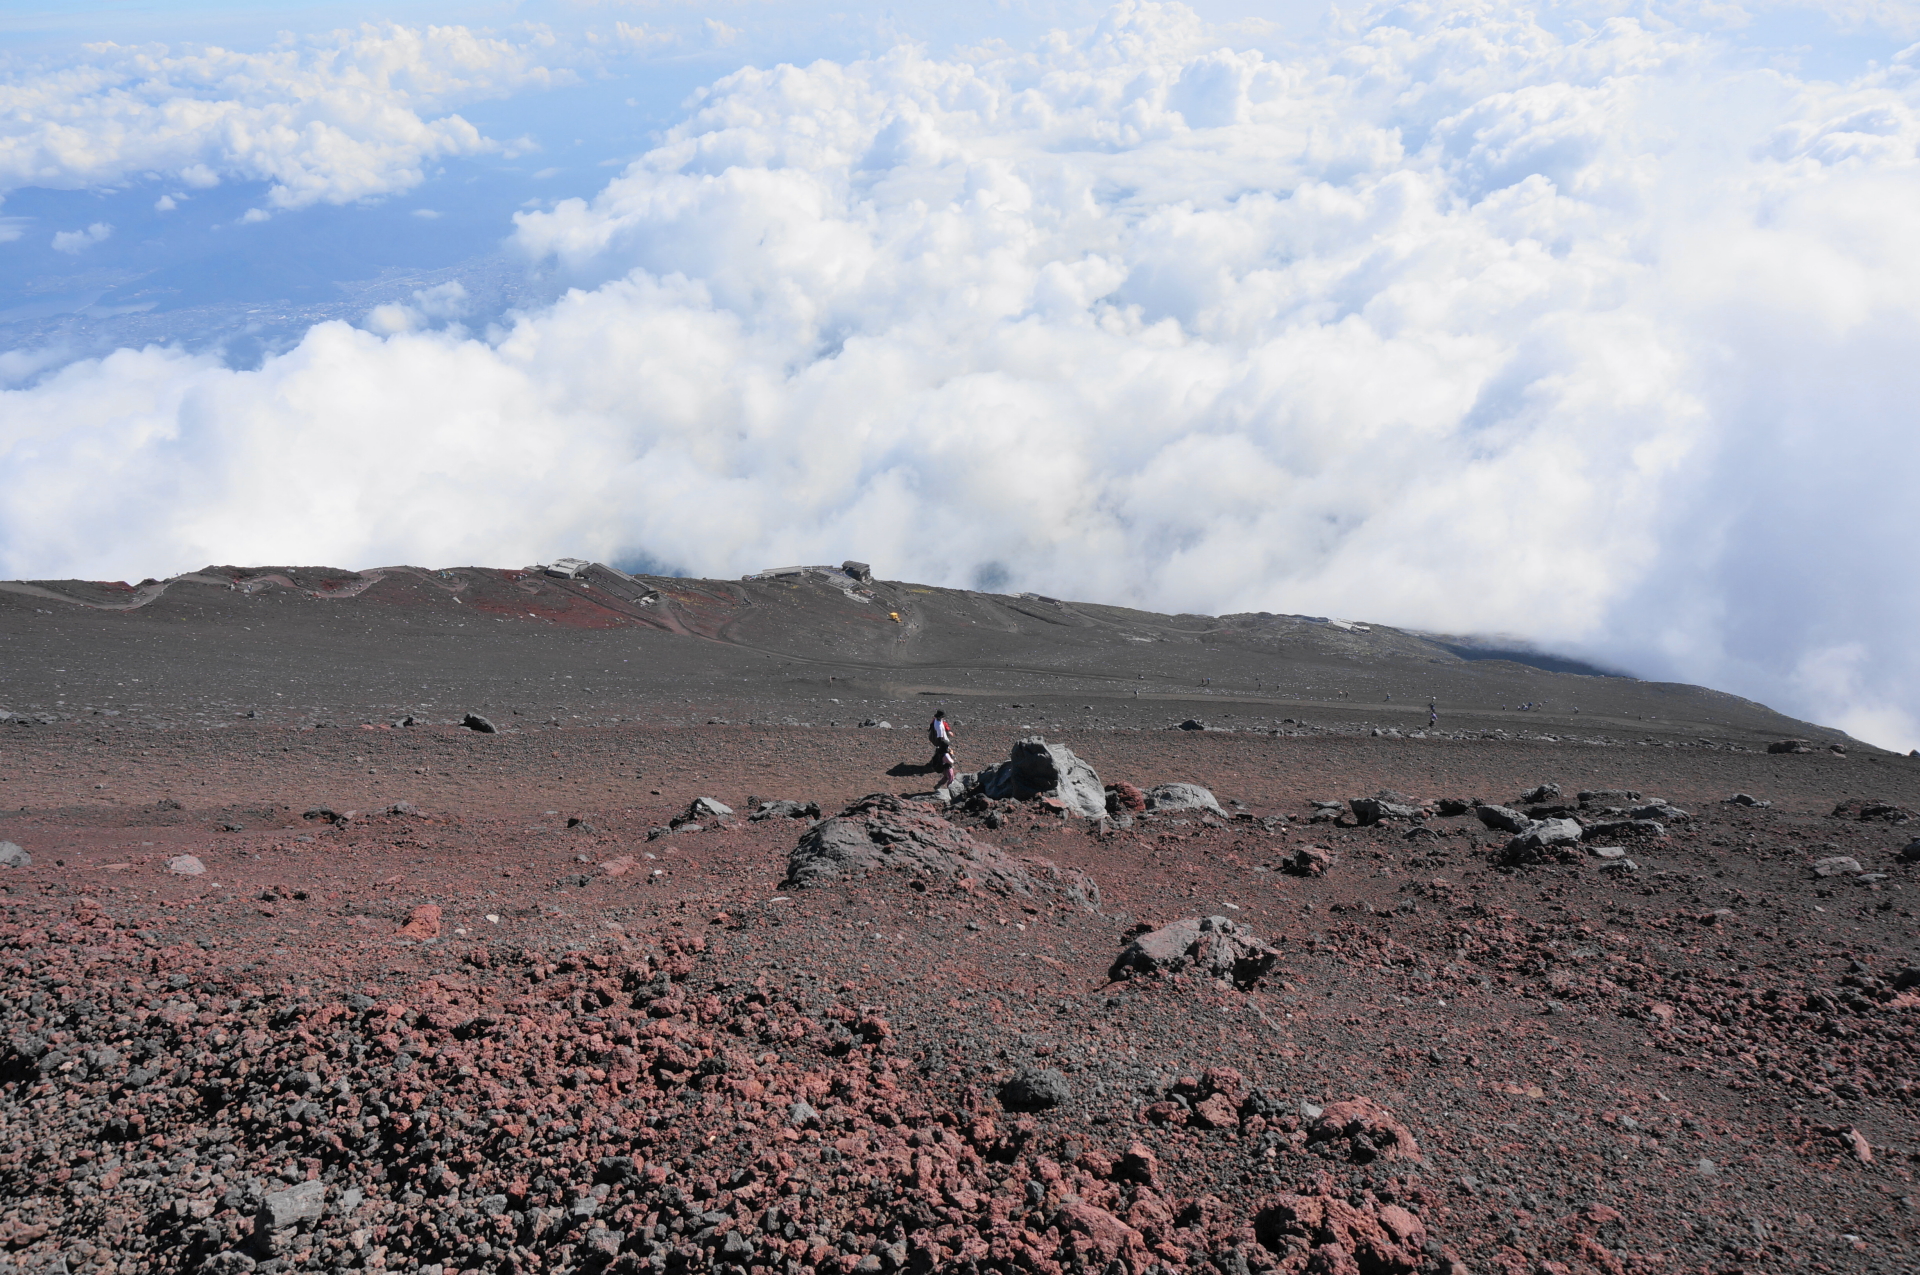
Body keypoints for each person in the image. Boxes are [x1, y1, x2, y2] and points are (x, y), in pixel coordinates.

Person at [928, 710, 956, 781]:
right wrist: (945, 747)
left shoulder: (936, 720)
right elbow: (940, 738)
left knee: (939, 753)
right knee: (944, 755)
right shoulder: (939, 727)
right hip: (941, 742)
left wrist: (948, 730)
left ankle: (935, 761)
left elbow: (944, 723)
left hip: (940, 743)